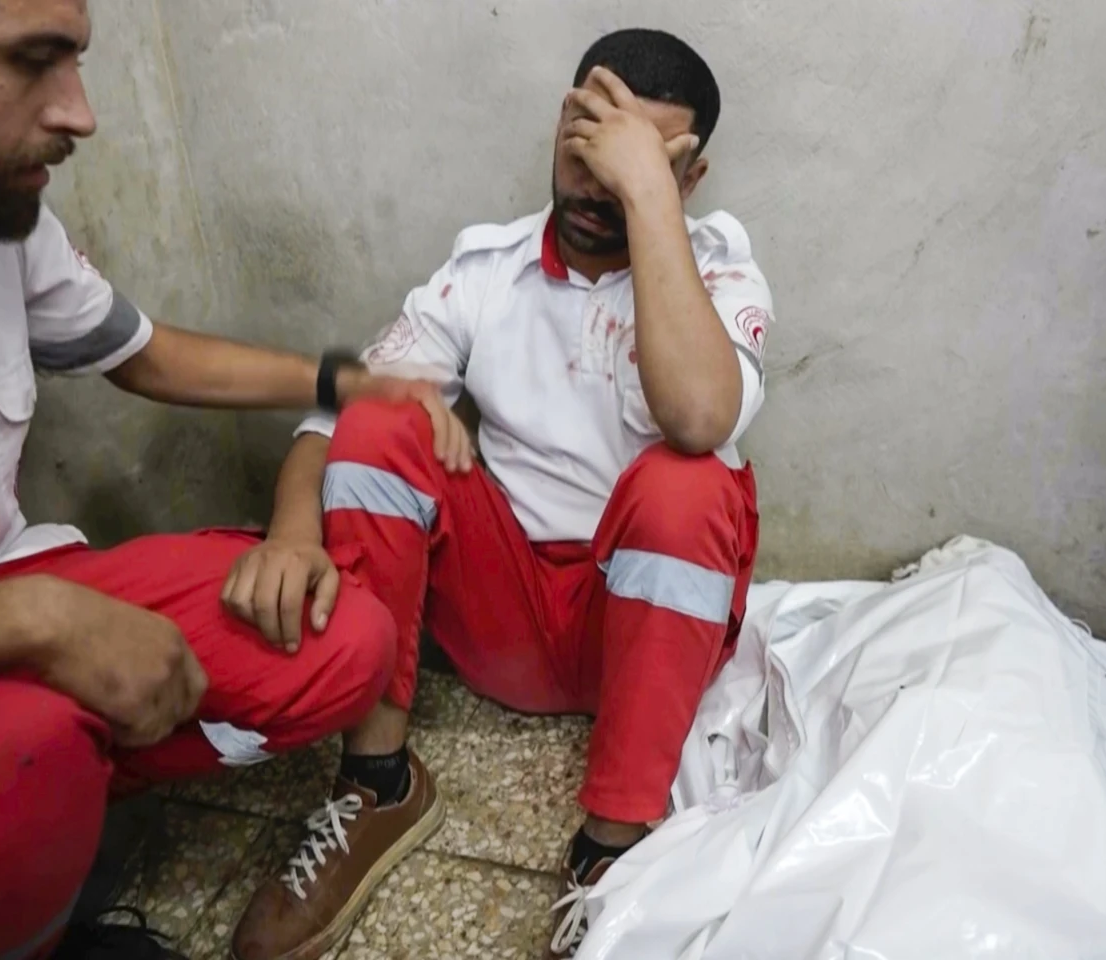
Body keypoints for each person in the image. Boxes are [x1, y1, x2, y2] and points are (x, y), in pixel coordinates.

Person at [0, 2, 458, 958]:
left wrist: (340, 382)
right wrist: (32, 625)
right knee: (18, 760)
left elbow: (143, 352)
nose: (81, 113)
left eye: (77, 62)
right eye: (33, 61)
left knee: (341, 641)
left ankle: (53, 807)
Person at [227, 27, 772, 960]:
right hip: (501, 618)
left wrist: (649, 198)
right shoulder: (489, 270)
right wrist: (288, 531)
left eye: (636, 162)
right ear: (564, 121)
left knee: (691, 481)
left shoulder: (718, 268)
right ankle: (378, 784)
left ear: (689, 174)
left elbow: (699, 417)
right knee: (382, 416)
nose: (598, 182)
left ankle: (610, 847)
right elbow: (335, 418)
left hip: (635, 647)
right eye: (590, 145)